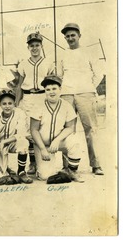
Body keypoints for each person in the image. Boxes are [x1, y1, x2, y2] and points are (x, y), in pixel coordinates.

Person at [58, 23, 104, 175]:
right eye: (68, 36)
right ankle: (67, 166)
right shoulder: (63, 54)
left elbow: (98, 74)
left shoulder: (89, 52)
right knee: (66, 130)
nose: (70, 38)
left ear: (79, 36)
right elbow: (59, 76)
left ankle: (96, 164)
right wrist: (65, 90)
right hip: (67, 95)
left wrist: (88, 88)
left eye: (73, 35)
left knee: (90, 129)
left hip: (86, 94)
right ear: (65, 38)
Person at [30, 75, 84, 182]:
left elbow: (70, 127)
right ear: (45, 91)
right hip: (43, 145)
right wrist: (42, 149)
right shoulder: (38, 106)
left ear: (60, 89)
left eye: (54, 88)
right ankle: (38, 165)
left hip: (58, 142)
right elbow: (34, 130)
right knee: (45, 176)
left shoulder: (66, 105)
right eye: (48, 89)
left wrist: (57, 140)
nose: (51, 92)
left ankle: (72, 170)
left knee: (75, 140)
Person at [16, 32, 55, 175]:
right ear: (28, 47)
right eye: (31, 45)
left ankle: (44, 162)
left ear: (41, 46)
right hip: (28, 97)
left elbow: (52, 83)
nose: (34, 48)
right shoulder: (23, 64)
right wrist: (16, 104)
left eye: (37, 45)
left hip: (43, 97)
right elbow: (19, 85)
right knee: (29, 132)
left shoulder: (48, 62)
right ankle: (32, 162)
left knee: (43, 129)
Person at [0, 88, 33, 184]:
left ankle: (21, 171)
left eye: (10, 103)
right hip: (0, 147)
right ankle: (6, 170)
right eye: (4, 103)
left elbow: (20, 134)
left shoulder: (20, 113)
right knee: (2, 176)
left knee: (23, 142)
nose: (7, 106)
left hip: (14, 143)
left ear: (14, 103)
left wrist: (3, 142)